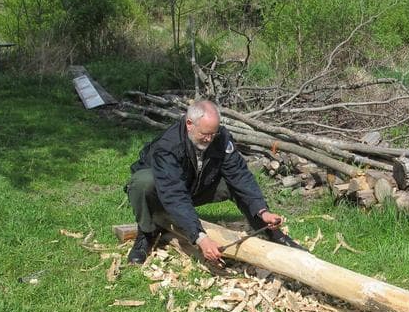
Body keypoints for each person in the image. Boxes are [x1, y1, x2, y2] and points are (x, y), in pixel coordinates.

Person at [125, 100, 303, 264]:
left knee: (234, 184)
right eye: (205, 134)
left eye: (213, 133)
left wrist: (261, 209)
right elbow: (174, 193)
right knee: (143, 182)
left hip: (197, 185)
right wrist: (200, 237)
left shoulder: (221, 138)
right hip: (163, 190)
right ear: (189, 124)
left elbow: (239, 175)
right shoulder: (168, 146)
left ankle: (269, 230)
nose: (209, 139)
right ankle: (146, 234)